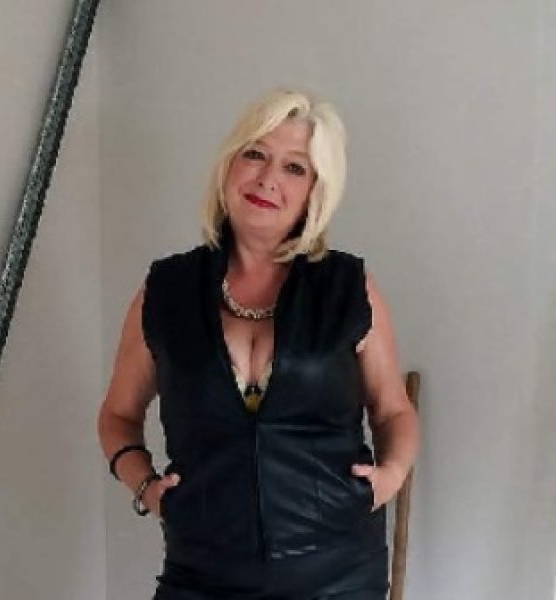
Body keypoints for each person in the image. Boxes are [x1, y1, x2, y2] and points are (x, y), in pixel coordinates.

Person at [97, 88, 420, 600]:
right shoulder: (166, 289)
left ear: (315, 191)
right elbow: (117, 414)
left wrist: (392, 475)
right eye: (255, 154)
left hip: (337, 576)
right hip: (201, 573)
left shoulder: (348, 287)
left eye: (295, 167)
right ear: (229, 165)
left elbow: (393, 410)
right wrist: (146, 486)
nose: (268, 178)